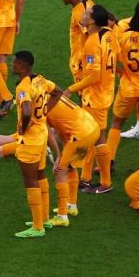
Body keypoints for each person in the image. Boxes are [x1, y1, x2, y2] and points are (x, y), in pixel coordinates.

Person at [90, 1, 139, 192]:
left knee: (117, 123)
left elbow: (112, 58)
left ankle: (108, 161)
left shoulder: (123, 35)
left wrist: (122, 72)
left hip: (127, 88)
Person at [66, 5, 118, 188]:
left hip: (95, 97)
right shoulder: (110, 35)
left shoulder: (91, 42)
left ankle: (104, 182)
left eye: (87, 14)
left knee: (93, 137)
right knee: (96, 136)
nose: (83, 15)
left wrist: (71, 89)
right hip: (106, 93)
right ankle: (85, 177)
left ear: (93, 21)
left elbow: (94, 76)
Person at [44, 85, 100, 227]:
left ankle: (62, 216)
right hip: (92, 127)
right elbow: (59, 130)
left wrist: (58, 155)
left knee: (58, 170)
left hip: (80, 134)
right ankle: (72, 206)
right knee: (69, 166)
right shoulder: (54, 96)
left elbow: (49, 134)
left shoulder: (40, 107)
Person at [11, 51, 53, 238]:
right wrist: (44, 114)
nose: (13, 65)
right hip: (42, 134)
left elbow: (26, 111)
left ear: (22, 65)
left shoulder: (23, 87)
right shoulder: (40, 79)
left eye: (15, 62)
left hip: (31, 140)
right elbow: (58, 91)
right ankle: (43, 218)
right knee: (41, 174)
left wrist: (23, 128)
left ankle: (37, 227)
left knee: (30, 180)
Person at [59, 0, 94, 84]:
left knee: (84, 96)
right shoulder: (88, 2)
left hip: (81, 61)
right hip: (88, 59)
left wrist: (89, 60)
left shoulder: (79, 12)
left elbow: (91, 34)